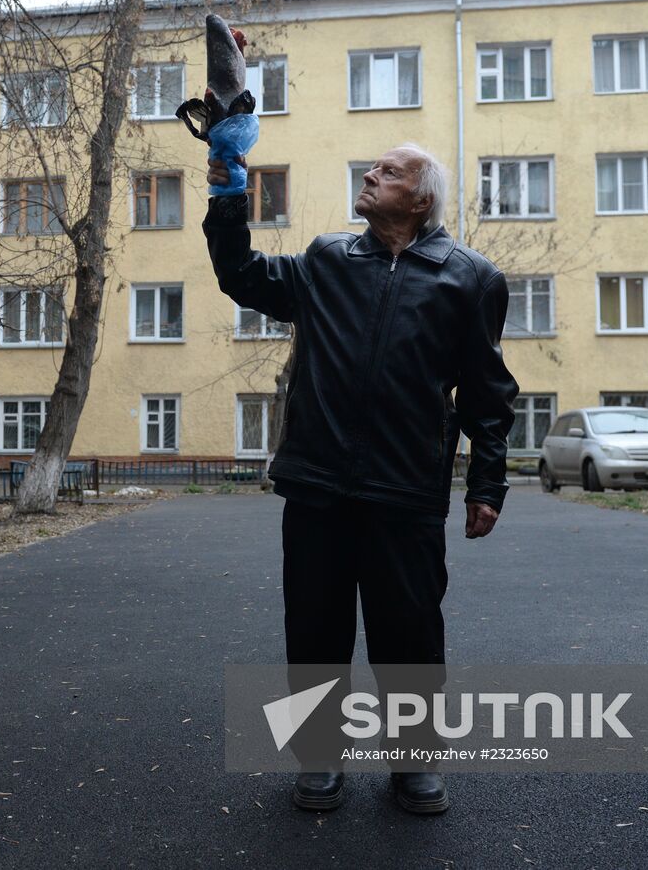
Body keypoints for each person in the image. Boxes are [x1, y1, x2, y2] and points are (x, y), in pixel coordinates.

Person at [204, 144, 519, 815]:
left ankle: (415, 763)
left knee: (410, 637)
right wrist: (229, 194)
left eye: (390, 172)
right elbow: (242, 275)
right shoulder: (328, 260)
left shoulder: (471, 279)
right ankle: (319, 757)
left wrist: (487, 485)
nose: (371, 175)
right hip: (317, 484)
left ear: (420, 200)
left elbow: (487, 396)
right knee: (314, 631)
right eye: (372, 168)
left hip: (406, 492)